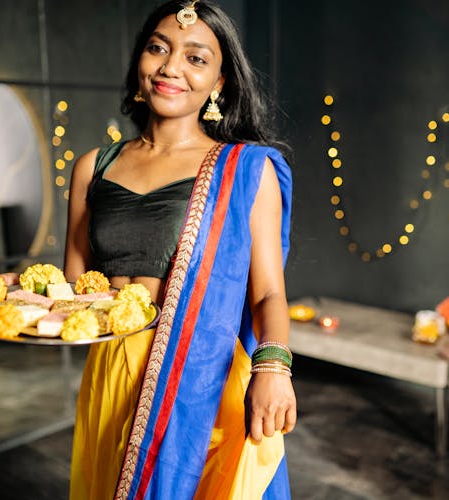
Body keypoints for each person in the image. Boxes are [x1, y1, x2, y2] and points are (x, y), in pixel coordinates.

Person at [63, 1, 296, 498]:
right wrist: (23, 297)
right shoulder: (92, 167)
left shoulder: (245, 170)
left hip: (201, 381)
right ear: (140, 62)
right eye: (158, 48)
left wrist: (273, 369)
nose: (171, 67)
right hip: (110, 372)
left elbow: (269, 294)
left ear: (220, 83)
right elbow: (74, 290)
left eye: (196, 58)